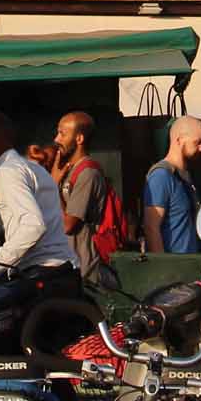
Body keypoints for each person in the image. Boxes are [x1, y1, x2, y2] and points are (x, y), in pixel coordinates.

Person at [0, 112, 77, 284]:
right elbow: (9, 218)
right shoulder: (32, 168)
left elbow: (32, 225)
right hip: (61, 272)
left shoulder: (8, 172)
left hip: (42, 272)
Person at [54, 111, 116, 280]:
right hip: (70, 266)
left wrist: (53, 187)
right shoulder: (66, 170)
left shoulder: (87, 173)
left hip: (85, 271)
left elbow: (68, 225)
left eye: (62, 134)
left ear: (79, 139)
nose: (56, 139)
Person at [144, 116, 201, 255]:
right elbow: (151, 227)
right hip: (173, 268)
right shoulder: (161, 175)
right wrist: (162, 269)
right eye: (198, 142)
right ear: (179, 140)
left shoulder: (187, 176)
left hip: (190, 265)